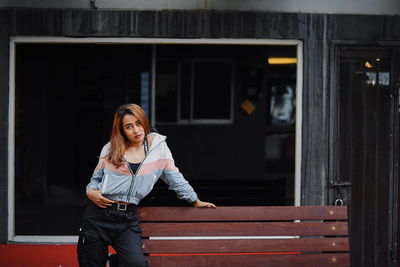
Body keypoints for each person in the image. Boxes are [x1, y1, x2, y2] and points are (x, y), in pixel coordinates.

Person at [77, 104, 216, 267]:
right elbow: (95, 179)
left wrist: (194, 200)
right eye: (129, 127)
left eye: (138, 123)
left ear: (144, 122)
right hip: (98, 215)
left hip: (127, 219)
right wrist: (90, 192)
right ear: (122, 130)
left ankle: (116, 262)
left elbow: (174, 177)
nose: (136, 130)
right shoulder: (110, 149)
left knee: (136, 264)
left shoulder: (159, 148)